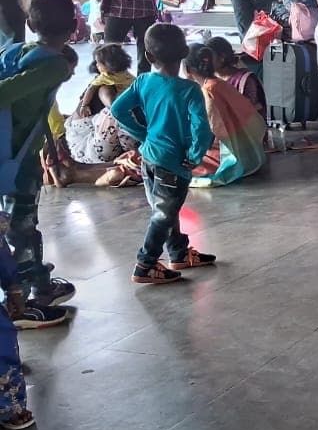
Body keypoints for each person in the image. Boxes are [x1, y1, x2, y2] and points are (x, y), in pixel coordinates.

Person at [110, 23, 216, 284]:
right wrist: (194, 155)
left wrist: (143, 133)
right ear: (183, 53)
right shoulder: (190, 90)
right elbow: (202, 127)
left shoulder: (143, 81)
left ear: (148, 56)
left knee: (166, 209)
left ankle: (178, 253)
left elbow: (118, 110)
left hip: (148, 158)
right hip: (173, 163)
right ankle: (145, 264)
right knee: (164, 214)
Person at [1, 0, 79, 327]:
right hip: (15, 162)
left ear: (31, 24)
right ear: (74, 27)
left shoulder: (20, 51)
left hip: (15, 156)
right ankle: (22, 303)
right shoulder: (54, 65)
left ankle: (40, 284)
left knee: (21, 224)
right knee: (22, 226)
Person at [185, 43, 267, 188]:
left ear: (187, 70)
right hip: (249, 152)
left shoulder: (208, 91)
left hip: (228, 154)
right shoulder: (221, 84)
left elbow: (208, 133)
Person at [64, 43, 138, 165]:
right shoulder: (104, 85)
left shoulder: (126, 78)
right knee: (119, 112)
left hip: (99, 140)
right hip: (86, 147)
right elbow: (116, 111)